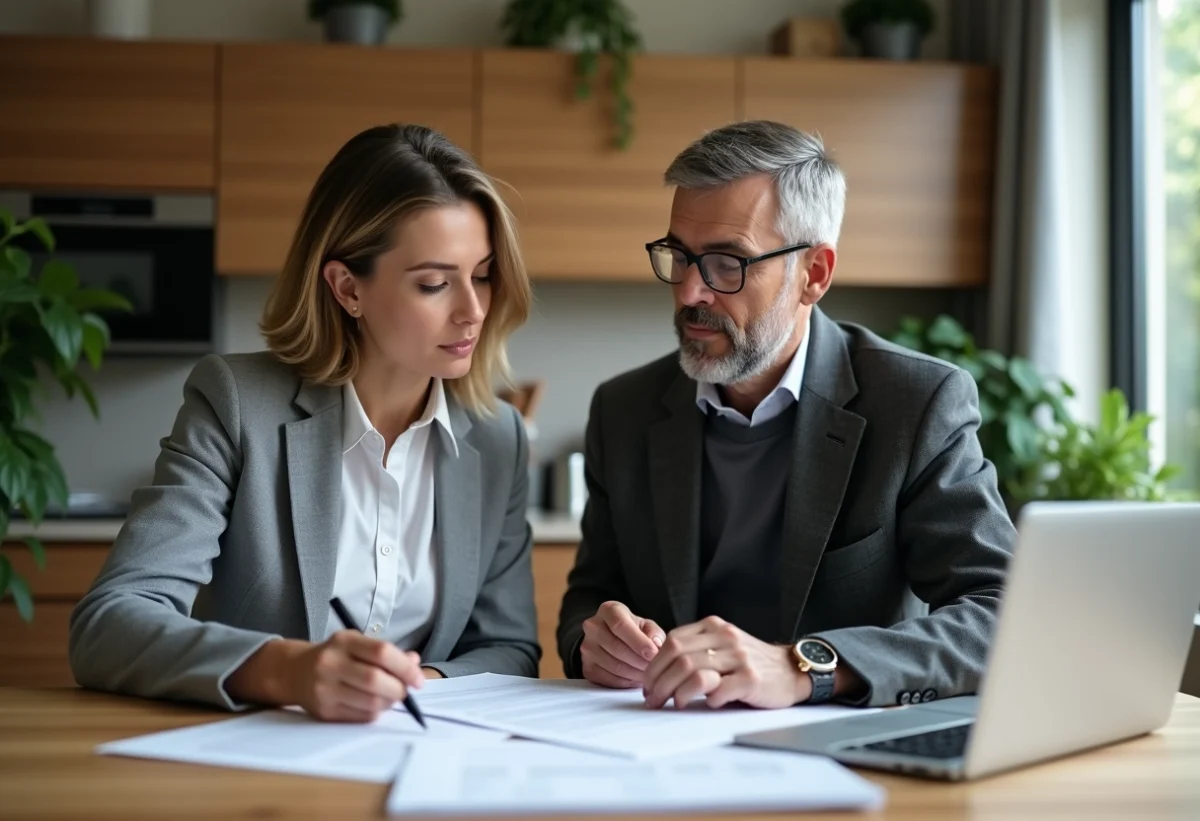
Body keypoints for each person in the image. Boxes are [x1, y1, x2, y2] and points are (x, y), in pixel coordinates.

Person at [70, 124, 539, 722]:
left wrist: (417, 681)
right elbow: (109, 623)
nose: (473, 310)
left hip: (421, 759)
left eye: (483, 274)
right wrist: (289, 671)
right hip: (257, 768)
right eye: (434, 283)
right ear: (347, 289)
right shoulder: (237, 403)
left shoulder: (498, 436)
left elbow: (511, 649)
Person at [557, 120, 1015, 710]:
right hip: (663, 751)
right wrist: (592, 641)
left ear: (814, 275)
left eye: (728, 263)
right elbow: (590, 598)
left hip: (843, 748)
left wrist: (805, 667)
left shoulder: (915, 404)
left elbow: (999, 611)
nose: (690, 293)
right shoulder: (623, 410)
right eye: (680, 255)